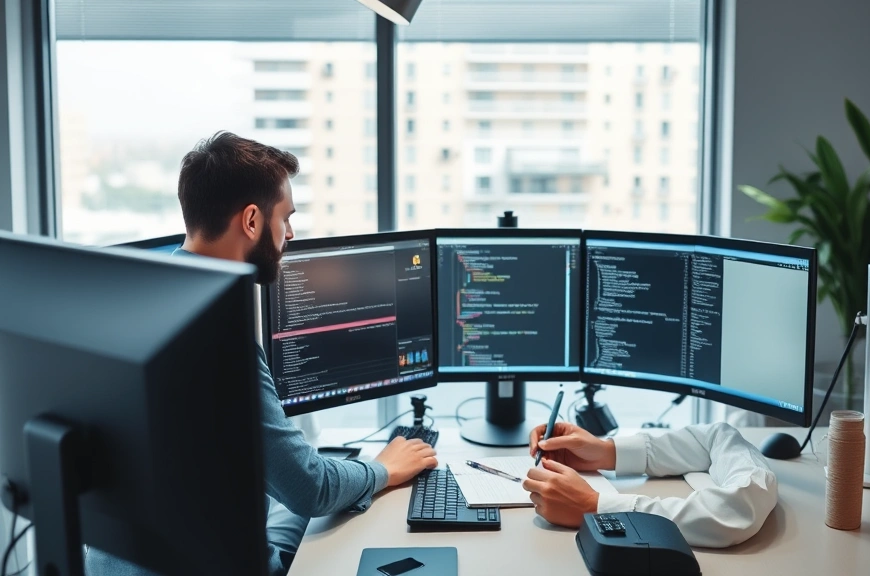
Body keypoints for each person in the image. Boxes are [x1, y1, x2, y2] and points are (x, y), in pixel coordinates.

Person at [85, 131, 438, 576]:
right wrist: (383, 468)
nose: (290, 234)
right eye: (285, 217)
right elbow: (310, 488)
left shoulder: (130, 298)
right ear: (251, 220)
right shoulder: (217, 332)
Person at [523, 421, 777, 548]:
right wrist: (607, 453)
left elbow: (737, 509)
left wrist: (595, 507)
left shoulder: (752, 488)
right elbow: (714, 438)